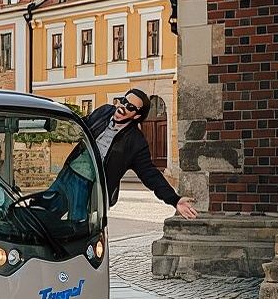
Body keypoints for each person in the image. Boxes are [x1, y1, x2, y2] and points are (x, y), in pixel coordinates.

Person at [85, 88, 199, 219]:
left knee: (77, 222)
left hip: (94, 189)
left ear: (136, 116)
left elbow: (149, 173)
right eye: (124, 101)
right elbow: (82, 125)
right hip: (71, 172)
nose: (123, 107)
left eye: (130, 107)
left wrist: (174, 199)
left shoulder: (136, 142)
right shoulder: (104, 111)